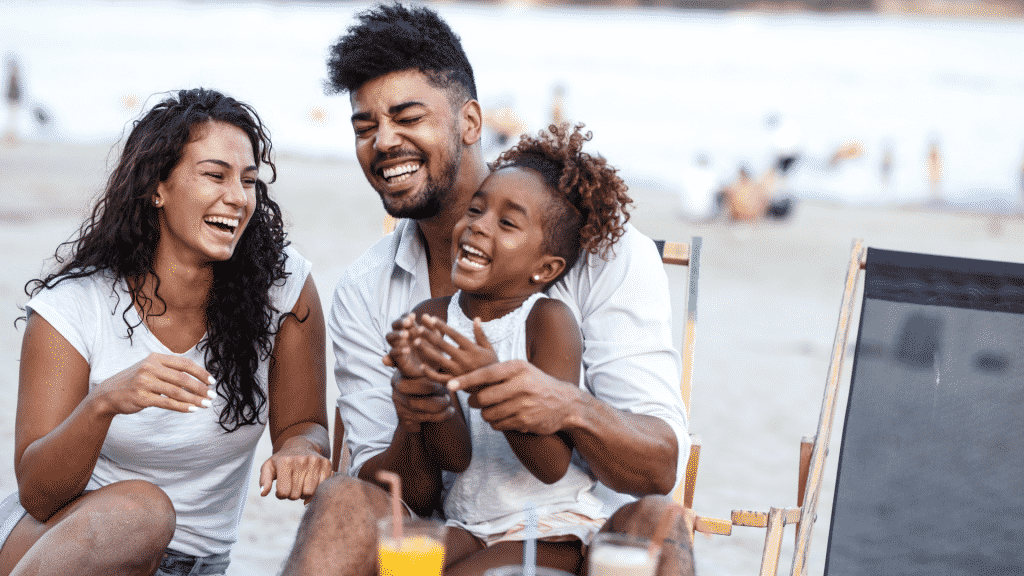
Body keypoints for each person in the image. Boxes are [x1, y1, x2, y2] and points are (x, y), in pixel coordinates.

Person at [279, 4, 694, 576]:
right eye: (365, 126)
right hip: (453, 538)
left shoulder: (605, 255)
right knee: (344, 499)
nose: (383, 142)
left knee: (660, 521)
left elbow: (656, 469)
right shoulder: (368, 289)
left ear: (471, 122)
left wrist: (566, 404)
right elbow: (408, 493)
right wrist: (417, 412)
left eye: (407, 117)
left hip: (586, 541)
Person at [0, 88, 332, 576]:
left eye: (248, 180)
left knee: (149, 513)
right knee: (144, 510)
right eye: (214, 175)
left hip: (198, 565)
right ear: (158, 187)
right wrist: (104, 403)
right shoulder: (75, 305)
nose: (238, 198)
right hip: (54, 546)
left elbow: (305, 424)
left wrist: (303, 450)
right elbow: (38, 492)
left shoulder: (281, 290)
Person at [385, 123, 635, 573]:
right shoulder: (433, 316)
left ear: (545, 268)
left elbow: (551, 464)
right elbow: (455, 458)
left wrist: (489, 384)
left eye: (506, 223)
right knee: (400, 568)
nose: (478, 227)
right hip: (469, 521)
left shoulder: (548, 322)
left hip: (548, 526)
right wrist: (424, 388)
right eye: (476, 210)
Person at [3, 55, 22, 145]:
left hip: (13, 101)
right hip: (12, 101)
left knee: (12, 122)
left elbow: (16, 91)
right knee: (11, 122)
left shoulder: (14, 78)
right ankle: (9, 139)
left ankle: (11, 139)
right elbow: (10, 91)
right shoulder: (13, 78)